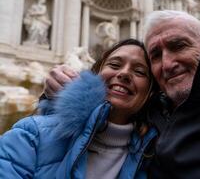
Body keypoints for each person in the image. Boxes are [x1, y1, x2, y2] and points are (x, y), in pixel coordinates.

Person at [41, 10, 200, 178]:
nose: (167, 63)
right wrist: (60, 94)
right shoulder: (148, 115)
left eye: (179, 46)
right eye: (155, 55)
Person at [0, 39, 158, 179]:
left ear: (151, 93)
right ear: (96, 74)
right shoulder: (31, 134)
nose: (124, 73)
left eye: (139, 72)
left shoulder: (152, 156)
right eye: (115, 65)